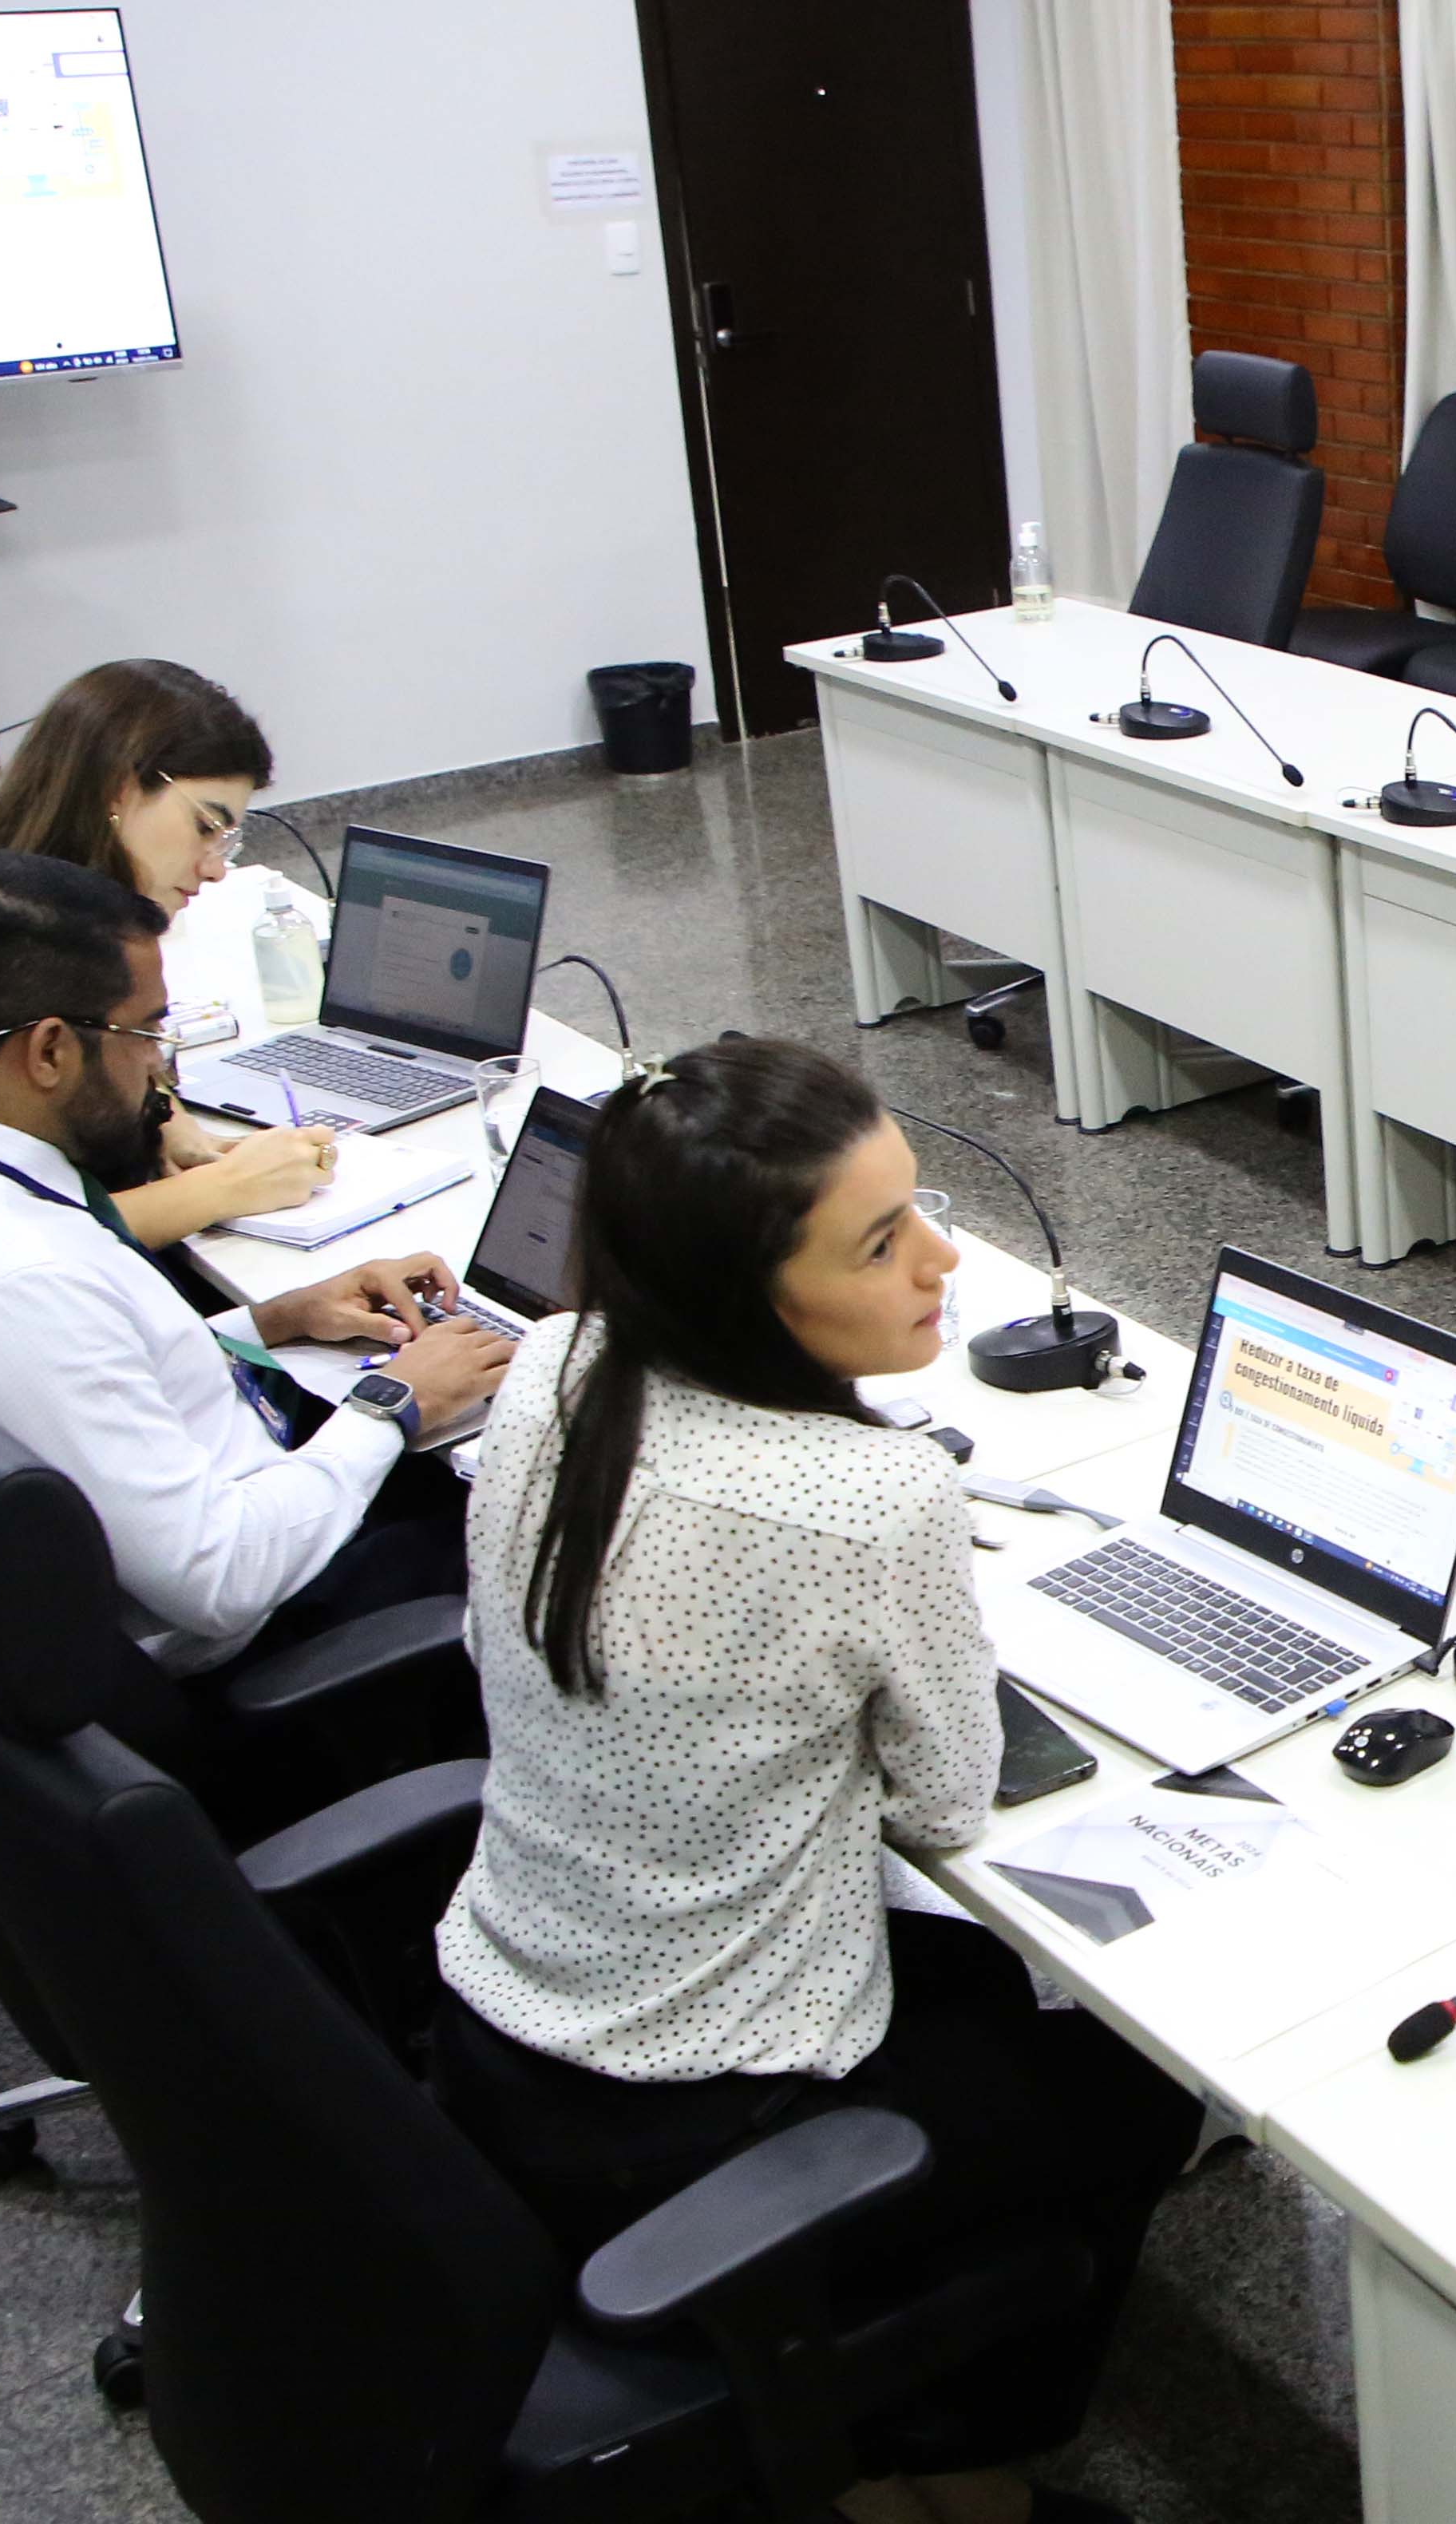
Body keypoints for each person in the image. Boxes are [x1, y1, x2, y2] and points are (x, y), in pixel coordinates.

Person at [430, 1037, 1192, 2524]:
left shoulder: (558, 1361)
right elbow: (948, 1804)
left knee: (989, 1996)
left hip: (497, 2042)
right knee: (1127, 2079)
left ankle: (873, 2433)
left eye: (921, 1209)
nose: (941, 1263)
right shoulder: (872, 1495)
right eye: (881, 1241)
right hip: (705, 2119)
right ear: (747, 1294)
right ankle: (948, 2476)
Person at [0, 851, 512, 1682]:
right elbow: (221, 1581)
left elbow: (86, 1379)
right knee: (551, 1506)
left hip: (203, 1510)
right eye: (144, 1032)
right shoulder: (25, 1288)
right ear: (49, 1051)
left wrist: (277, 1319)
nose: (160, 1066)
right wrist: (393, 1401)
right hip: (271, 1619)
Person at [0, 657, 339, 1244]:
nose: (216, 868)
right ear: (118, 788)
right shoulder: (9, 947)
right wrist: (226, 1187)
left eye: (228, 841)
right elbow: (21, 1234)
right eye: (204, 827)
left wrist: (162, 1114)